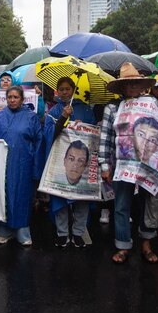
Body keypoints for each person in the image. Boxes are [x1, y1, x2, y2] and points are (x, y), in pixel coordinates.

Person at [100, 63, 158, 264]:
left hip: (148, 164)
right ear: (121, 88)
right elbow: (106, 137)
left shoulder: (152, 104)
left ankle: (146, 243)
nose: (132, 88)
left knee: (148, 204)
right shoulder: (113, 108)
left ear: (141, 85)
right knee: (121, 206)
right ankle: (123, 245)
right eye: (128, 85)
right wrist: (104, 165)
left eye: (136, 84)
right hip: (122, 165)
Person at [45, 76, 96, 248]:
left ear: (73, 90)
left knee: (81, 197)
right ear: (57, 92)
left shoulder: (85, 109)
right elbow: (49, 134)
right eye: (62, 89)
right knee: (60, 196)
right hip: (60, 160)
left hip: (82, 163)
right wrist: (63, 118)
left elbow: (94, 133)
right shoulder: (54, 111)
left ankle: (78, 233)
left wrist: (82, 127)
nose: (65, 92)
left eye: (68, 89)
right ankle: (62, 233)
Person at [0, 85, 43, 246]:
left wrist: (36, 167)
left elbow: (38, 142)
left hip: (24, 164)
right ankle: (4, 231)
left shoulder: (31, 117)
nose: (12, 100)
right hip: (3, 165)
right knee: (4, 197)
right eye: (9, 97)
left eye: (16, 97)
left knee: (22, 197)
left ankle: (22, 232)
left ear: (22, 99)